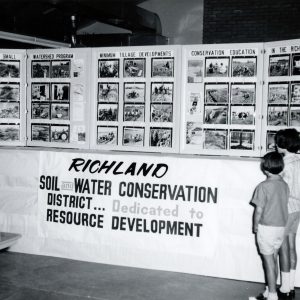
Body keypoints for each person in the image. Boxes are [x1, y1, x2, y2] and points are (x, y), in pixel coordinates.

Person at [252, 151, 289, 300]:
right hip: (280, 227)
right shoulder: (284, 185)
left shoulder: (263, 186)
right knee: (273, 259)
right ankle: (269, 290)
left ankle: (273, 295)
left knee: (268, 262)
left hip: (266, 227)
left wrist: (255, 225)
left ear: (265, 168)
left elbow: (259, 210)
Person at [275, 128, 300, 299]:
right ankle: (290, 285)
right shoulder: (298, 161)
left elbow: (283, 190)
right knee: (292, 245)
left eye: (277, 142)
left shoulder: (285, 165)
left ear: (283, 144)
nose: (275, 145)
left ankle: (284, 288)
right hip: (297, 207)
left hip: (286, 207)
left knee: (282, 247)